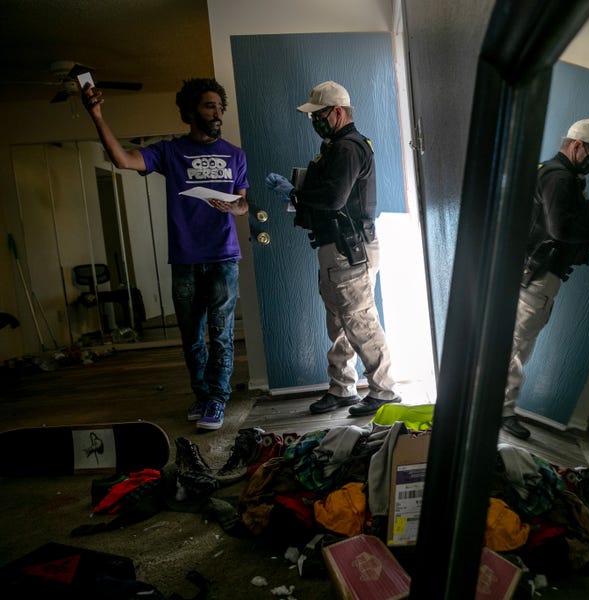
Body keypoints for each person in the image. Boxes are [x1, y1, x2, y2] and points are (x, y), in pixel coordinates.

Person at [81, 78, 249, 431]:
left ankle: (217, 400)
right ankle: (202, 396)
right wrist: (96, 115)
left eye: (220, 107)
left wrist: (235, 209)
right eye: (209, 106)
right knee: (191, 336)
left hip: (223, 257)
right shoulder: (170, 152)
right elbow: (123, 159)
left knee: (220, 333)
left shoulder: (235, 154)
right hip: (186, 258)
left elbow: (244, 202)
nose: (217, 113)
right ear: (190, 112)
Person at [265, 81, 400, 417]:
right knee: (339, 320)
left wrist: (295, 195)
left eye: (319, 115)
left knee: (359, 319)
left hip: (348, 247)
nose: (315, 121)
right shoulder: (336, 147)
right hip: (338, 246)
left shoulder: (347, 148)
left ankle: (384, 391)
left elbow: (333, 198)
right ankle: (343, 389)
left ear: (338, 112)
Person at [501, 118, 589, 440]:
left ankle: (494, 406)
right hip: (539, 275)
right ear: (577, 146)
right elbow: (559, 229)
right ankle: (498, 411)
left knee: (512, 343)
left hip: (528, 270)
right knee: (516, 347)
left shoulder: (550, 171)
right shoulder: (560, 178)